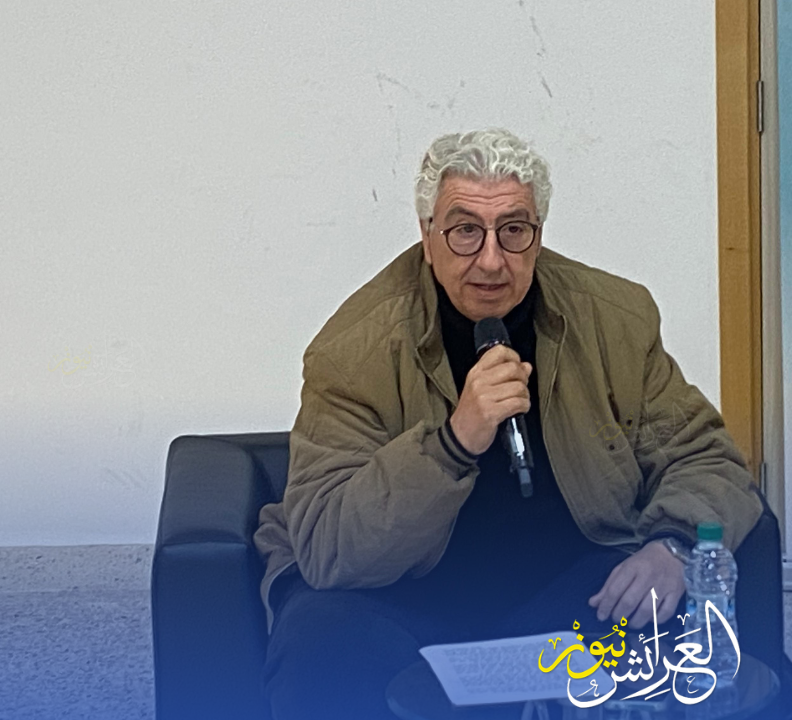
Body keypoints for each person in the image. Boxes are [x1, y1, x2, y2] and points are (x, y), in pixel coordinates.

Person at [252, 128, 763, 719]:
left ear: (538, 234)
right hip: (398, 599)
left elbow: (704, 457)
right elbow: (330, 547)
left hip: (565, 586)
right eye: (466, 231)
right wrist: (452, 443)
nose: (492, 260)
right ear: (427, 236)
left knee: (667, 622)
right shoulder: (353, 351)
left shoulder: (614, 319)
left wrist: (672, 546)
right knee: (318, 649)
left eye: (514, 230)